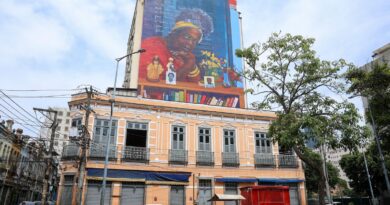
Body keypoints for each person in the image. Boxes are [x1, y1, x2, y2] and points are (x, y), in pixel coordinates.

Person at [139, 8, 214, 83]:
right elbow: (156, 88)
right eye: (187, 37)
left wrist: (192, 65)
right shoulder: (151, 47)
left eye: (195, 41)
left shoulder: (181, 54)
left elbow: (196, 88)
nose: (190, 43)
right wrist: (188, 65)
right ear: (174, 33)